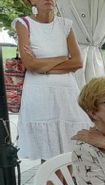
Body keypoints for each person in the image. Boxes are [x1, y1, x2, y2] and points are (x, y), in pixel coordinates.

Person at [13, 0, 91, 161]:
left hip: (66, 93)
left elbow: (77, 62)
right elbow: (30, 64)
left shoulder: (65, 25)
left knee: (71, 149)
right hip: (39, 94)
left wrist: (42, 66)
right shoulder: (23, 24)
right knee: (46, 149)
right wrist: (63, 59)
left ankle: (68, 178)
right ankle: (49, 178)